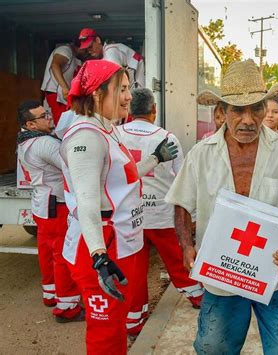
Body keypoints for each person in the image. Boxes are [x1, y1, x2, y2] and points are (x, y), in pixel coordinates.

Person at [165, 59, 278, 354]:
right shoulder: (201, 155)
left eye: (256, 108)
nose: (248, 119)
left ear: (265, 109)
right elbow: (181, 203)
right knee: (213, 349)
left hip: (274, 275)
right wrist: (186, 246)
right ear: (221, 112)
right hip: (223, 277)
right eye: (238, 110)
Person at [59, 60, 177, 354]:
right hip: (102, 249)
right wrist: (99, 256)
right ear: (98, 94)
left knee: (116, 323)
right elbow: (86, 199)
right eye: (122, 89)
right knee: (106, 330)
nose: (128, 97)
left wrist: (155, 159)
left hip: (119, 242)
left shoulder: (107, 129)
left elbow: (124, 175)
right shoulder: (86, 135)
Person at [117, 88, 204, 336]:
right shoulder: (167, 138)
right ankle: (198, 297)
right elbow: (182, 179)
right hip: (161, 213)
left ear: (131, 110)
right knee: (177, 259)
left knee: (133, 267)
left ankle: (133, 319)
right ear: (154, 110)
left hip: (129, 214)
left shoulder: (116, 135)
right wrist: (192, 215)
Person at [16, 101, 83, 322]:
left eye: (47, 113)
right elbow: (73, 164)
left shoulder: (24, 140)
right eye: (43, 116)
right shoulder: (45, 143)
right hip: (57, 205)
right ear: (30, 124)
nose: (49, 118)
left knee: (47, 251)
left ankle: (51, 294)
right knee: (64, 255)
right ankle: (67, 306)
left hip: (42, 204)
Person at [78, 28, 145, 89]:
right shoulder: (103, 56)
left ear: (98, 40)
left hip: (137, 67)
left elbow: (116, 76)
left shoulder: (110, 51)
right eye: (86, 49)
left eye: (90, 47)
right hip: (131, 70)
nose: (89, 51)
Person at [41, 42, 83, 125]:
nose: (87, 52)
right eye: (85, 50)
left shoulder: (76, 58)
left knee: (66, 122)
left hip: (64, 96)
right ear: (79, 48)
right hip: (56, 94)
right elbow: (55, 65)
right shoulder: (65, 50)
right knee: (61, 123)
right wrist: (64, 87)